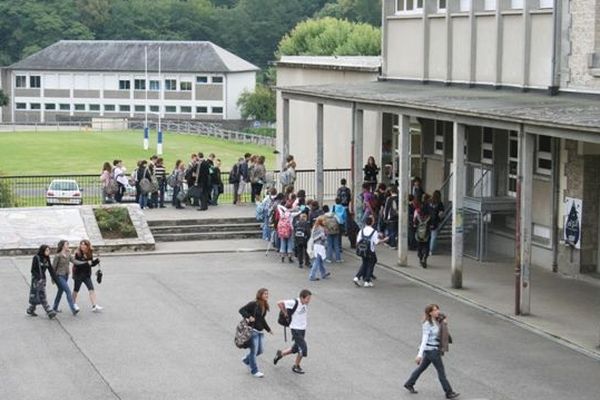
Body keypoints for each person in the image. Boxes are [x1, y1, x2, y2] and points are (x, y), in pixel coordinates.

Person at [404, 304, 459, 399]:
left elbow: (443, 330)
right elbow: (424, 340)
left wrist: (444, 323)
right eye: (435, 310)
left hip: (434, 350)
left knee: (421, 368)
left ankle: (409, 383)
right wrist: (419, 355)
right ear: (430, 313)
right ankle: (449, 392)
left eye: (438, 309)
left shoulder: (438, 320)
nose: (437, 311)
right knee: (441, 372)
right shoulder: (427, 324)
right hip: (432, 351)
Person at [273, 289, 312, 374]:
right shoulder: (294, 302)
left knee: (295, 348)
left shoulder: (304, 304)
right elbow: (279, 302)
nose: (309, 301)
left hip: (302, 328)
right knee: (303, 348)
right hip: (295, 329)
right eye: (307, 299)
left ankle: (280, 354)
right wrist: (285, 313)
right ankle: (296, 366)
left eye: (309, 299)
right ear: (302, 297)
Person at [239, 288, 273, 378]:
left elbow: (262, 319)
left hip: (260, 331)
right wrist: (249, 316)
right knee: (254, 352)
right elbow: (241, 310)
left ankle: (246, 360)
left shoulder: (264, 305)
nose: (267, 295)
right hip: (252, 330)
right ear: (260, 295)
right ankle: (254, 371)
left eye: (267, 294)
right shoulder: (254, 303)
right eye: (265, 294)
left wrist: (268, 329)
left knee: (260, 351)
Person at [353, 216, 387, 288]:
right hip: (370, 251)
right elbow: (376, 242)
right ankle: (366, 280)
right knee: (371, 264)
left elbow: (358, 241)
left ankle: (359, 278)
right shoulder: (374, 232)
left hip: (362, 251)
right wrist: (384, 240)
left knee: (365, 263)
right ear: (372, 222)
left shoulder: (361, 231)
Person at [26, 245, 58, 319]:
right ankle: (49, 311)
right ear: (43, 250)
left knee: (37, 294)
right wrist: (39, 278)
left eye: (49, 250)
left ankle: (31, 309)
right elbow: (33, 270)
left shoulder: (47, 258)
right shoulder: (36, 258)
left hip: (43, 279)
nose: (48, 252)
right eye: (47, 250)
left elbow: (50, 269)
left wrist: (55, 279)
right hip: (37, 279)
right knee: (41, 294)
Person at [51, 240, 81, 315]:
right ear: (63, 246)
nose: (68, 245)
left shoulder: (68, 254)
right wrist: (53, 279)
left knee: (60, 292)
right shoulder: (58, 256)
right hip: (59, 276)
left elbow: (74, 261)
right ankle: (73, 309)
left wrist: (84, 263)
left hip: (66, 275)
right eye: (67, 244)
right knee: (68, 291)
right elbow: (53, 268)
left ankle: (54, 308)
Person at [72, 240, 102, 312]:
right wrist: (86, 262)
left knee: (91, 289)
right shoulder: (77, 253)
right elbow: (77, 264)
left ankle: (94, 305)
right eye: (81, 244)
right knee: (76, 290)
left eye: (84, 245)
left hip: (86, 275)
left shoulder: (89, 253)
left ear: (87, 246)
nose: (82, 246)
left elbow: (90, 264)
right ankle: (73, 303)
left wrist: (97, 261)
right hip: (78, 275)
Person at [308, 216, 330, 281]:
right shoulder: (321, 228)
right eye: (324, 221)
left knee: (320, 260)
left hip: (315, 245)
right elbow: (323, 237)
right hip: (319, 245)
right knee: (317, 261)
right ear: (321, 221)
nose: (325, 222)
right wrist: (325, 236)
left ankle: (323, 273)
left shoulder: (315, 227)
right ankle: (312, 275)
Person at [414, 197, 432, 268]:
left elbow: (414, 224)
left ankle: (420, 258)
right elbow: (432, 225)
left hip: (418, 234)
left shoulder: (418, 216)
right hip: (426, 234)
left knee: (419, 247)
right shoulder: (429, 217)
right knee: (426, 246)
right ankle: (425, 257)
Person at [428, 190, 445, 256]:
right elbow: (441, 213)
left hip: (428, 220)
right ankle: (431, 250)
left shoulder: (429, 202)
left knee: (429, 235)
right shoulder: (439, 203)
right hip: (435, 221)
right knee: (434, 236)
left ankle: (427, 248)